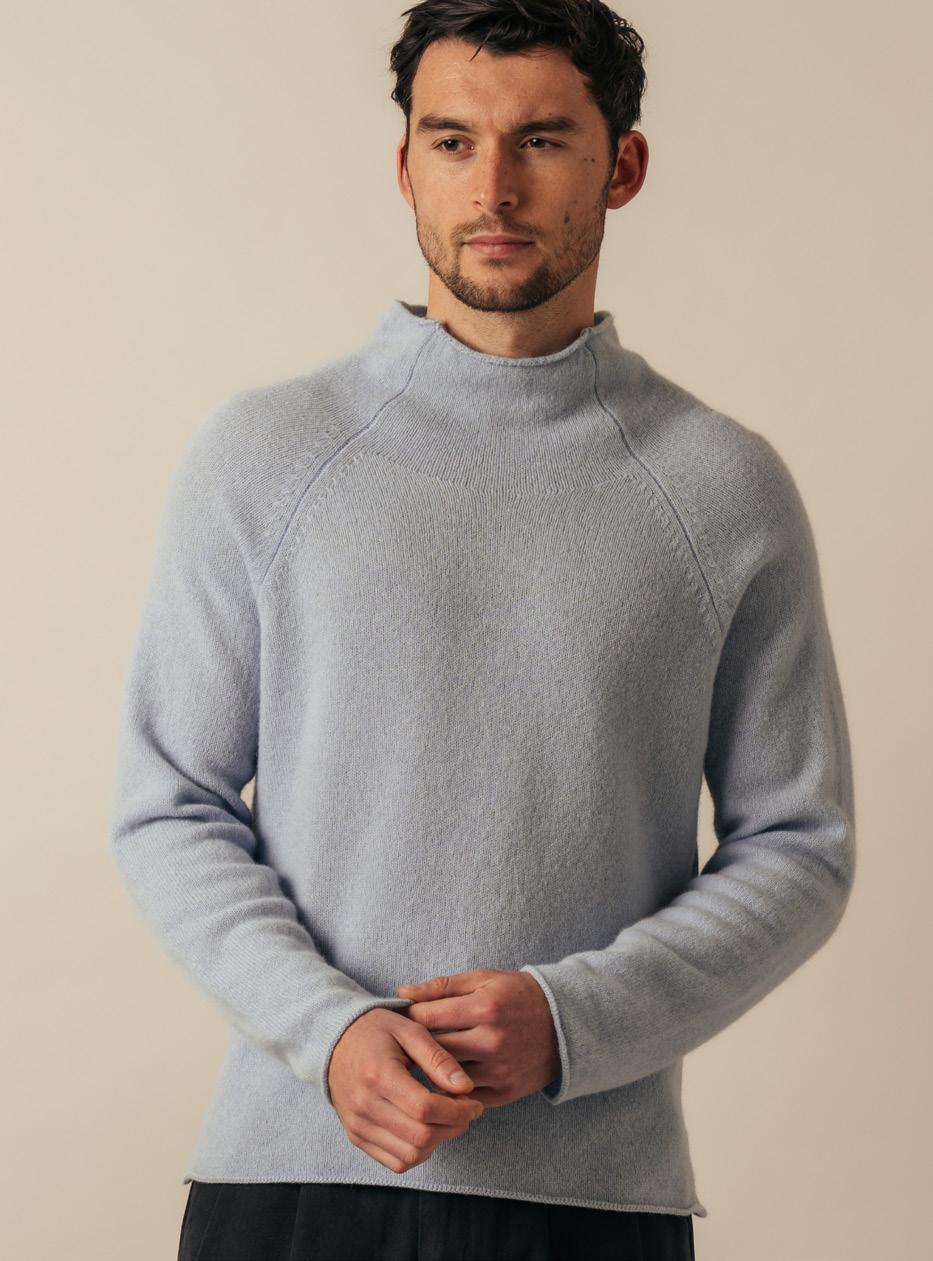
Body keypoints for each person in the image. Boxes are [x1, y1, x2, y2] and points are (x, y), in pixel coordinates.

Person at [108, 2, 856, 1259]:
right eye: (452, 141)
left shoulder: (723, 489)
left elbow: (801, 846)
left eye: (542, 141)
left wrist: (573, 1021)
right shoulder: (264, 456)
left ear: (623, 166)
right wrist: (328, 1030)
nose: (493, 188)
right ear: (405, 165)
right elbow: (165, 801)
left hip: (590, 1200)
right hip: (295, 1176)